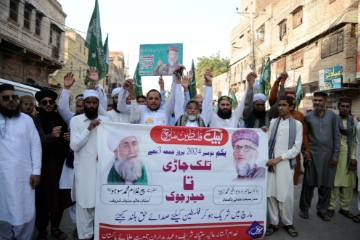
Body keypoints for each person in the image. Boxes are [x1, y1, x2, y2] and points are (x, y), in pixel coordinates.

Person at [0, 84, 41, 240]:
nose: (11, 100)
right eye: (6, 98)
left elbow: (36, 146)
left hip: (24, 175)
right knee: (3, 214)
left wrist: (36, 171)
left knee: (25, 212)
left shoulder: (26, 120)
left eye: (14, 97)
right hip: (2, 176)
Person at [33, 89, 72, 240]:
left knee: (59, 197)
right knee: (42, 199)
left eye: (51, 102)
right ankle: (42, 229)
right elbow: (38, 140)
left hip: (60, 164)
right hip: (43, 165)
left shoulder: (59, 118)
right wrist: (52, 136)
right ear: (40, 104)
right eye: (44, 102)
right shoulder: (35, 120)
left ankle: (55, 227)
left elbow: (66, 136)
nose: (48, 105)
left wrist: (68, 137)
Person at [70, 89, 109, 239]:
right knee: (85, 210)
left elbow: (111, 145)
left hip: (101, 172)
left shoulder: (106, 121)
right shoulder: (76, 121)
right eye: (88, 102)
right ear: (84, 103)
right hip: (85, 173)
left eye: (94, 102)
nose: (91, 105)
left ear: (98, 104)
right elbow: (74, 146)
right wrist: (89, 129)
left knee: (101, 210)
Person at [299, 91, 340, 221]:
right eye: (315, 100)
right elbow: (304, 136)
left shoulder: (333, 116)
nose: (317, 102)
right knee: (308, 184)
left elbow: (337, 136)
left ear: (325, 102)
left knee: (326, 185)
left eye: (320, 100)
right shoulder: (308, 116)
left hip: (328, 156)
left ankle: (322, 210)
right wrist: (305, 151)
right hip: (312, 155)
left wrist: (335, 154)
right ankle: (304, 208)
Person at [265, 95, 303, 237]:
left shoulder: (297, 125)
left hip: (286, 164)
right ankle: (274, 223)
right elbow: (267, 140)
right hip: (270, 164)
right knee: (271, 194)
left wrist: (279, 158)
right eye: (279, 105)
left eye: (284, 105)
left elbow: (296, 148)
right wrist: (264, 131)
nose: (280, 108)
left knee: (286, 195)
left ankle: (288, 223)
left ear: (291, 107)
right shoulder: (273, 122)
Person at [268, 72, 310, 185]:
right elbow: (272, 98)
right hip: (273, 154)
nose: (282, 107)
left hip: (291, 156)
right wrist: (278, 83)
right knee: (273, 184)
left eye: (291, 98)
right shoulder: (276, 114)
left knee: (289, 185)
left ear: (293, 103)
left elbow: (304, 134)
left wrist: (306, 150)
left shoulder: (299, 116)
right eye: (281, 104)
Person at [118, 68, 182, 126]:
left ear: (160, 100)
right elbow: (121, 107)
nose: (153, 100)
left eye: (156, 99)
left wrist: (175, 77)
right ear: (146, 100)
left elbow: (173, 95)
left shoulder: (166, 109)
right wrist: (124, 89)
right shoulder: (140, 109)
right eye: (150, 98)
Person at [327, 97, 357, 219]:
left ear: (350, 108)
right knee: (334, 183)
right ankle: (330, 208)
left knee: (347, 185)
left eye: (347, 106)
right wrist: (333, 155)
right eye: (342, 106)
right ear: (338, 107)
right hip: (335, 156)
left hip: (349, 156)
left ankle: (345, 208)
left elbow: (355, 140)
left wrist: (354, 157)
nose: (344, 109)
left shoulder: (352, 122)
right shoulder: (333, 120)